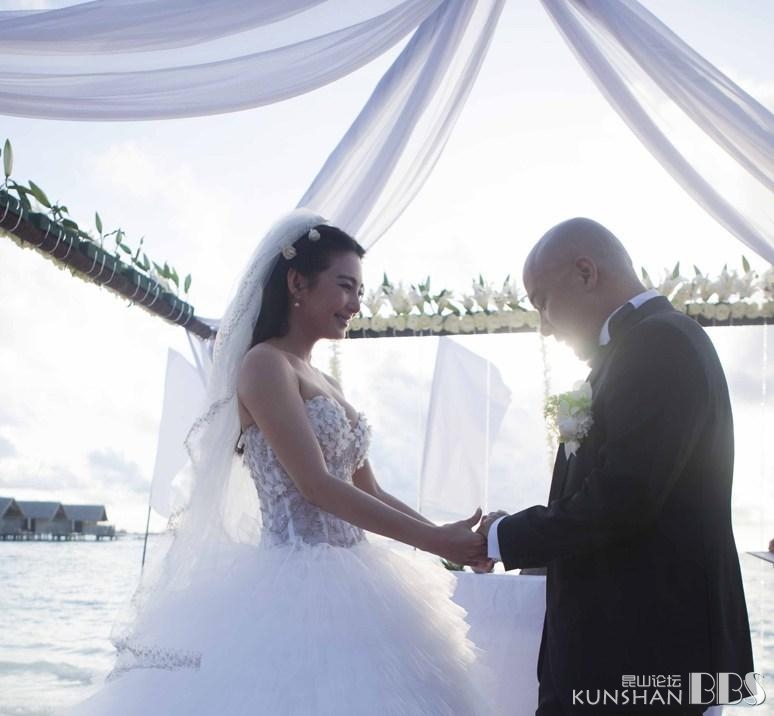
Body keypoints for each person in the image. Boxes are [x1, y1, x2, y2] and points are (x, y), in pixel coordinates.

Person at [62, 209, 489, 716]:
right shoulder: (264, 364)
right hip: (294, 585)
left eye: (359, 291)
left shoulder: (325, 379)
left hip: (361, 576)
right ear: (297, 283)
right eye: (345, 286)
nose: (356, 304)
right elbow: (315, 486)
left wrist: (445, 539)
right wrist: (435, 541)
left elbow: (369, 490)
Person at [478, 218, 754, 715]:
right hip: (621, 655)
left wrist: (503, 538)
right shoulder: (636, 347)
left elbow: (625, 496)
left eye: (542, 301)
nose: (543, 326)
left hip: (650, 658)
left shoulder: (659, 344)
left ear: (586, 273)